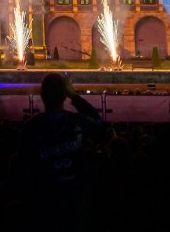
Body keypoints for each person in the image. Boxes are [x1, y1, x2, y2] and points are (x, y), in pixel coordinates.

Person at [19, 72, 106, 221]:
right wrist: (74, 96)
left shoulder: (31, 128)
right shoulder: (76, 122)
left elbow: (24, 168)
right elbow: (99, 122)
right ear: (64, 95)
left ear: (42, 95)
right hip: (74, 201)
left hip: (44, 203)